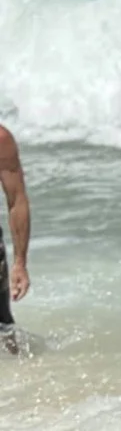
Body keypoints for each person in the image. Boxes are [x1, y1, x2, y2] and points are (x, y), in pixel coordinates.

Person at [0, 116, 28, 354]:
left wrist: (20, 263)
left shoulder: (1, 140)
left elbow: (17, 200)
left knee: (3, 325)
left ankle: (24, 371)